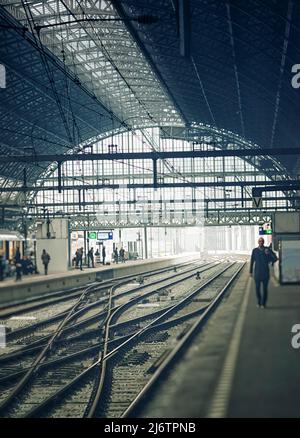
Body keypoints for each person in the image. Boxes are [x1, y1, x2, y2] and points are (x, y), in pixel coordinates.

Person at [250, 237, 278, 308]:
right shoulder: (255, 250)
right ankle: (259, 302)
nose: (261, 242)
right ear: (258, 242)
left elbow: (275, 258)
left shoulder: (267, 250)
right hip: (257, 273)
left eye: (262, 241)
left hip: (265, 273)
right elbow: (252, 261)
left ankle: (263, 303)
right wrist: (250, 271)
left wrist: (269, 257)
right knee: (257, 288)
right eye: (259, 241)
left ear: (263, 242)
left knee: (265, 289)